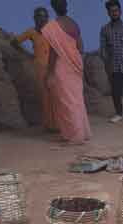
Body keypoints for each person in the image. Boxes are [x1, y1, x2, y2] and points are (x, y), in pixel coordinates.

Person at [42, 0, 91, 145]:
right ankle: (79, 133)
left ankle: (75, 137)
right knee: (76, 100)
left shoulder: (52, 26)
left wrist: (49, 72)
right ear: (66, 6)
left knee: (66, 101)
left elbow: (53, 53)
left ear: (53, 7)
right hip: (76, 65)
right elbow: (81, 47)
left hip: (62, 67)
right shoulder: (74, 24)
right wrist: (72, 54)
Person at [12, 7, 56, 131]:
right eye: (39, 16)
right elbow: (14, 42)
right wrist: (27, 55)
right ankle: (49, 125)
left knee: (56, 95)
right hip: (40, 67)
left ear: (48, 18)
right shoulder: (31, 32)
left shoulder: (52, 31)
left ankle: (59, 124)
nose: (42, 19)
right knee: (45, 96)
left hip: (54, 66)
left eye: (44, 16)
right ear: (34, 18)